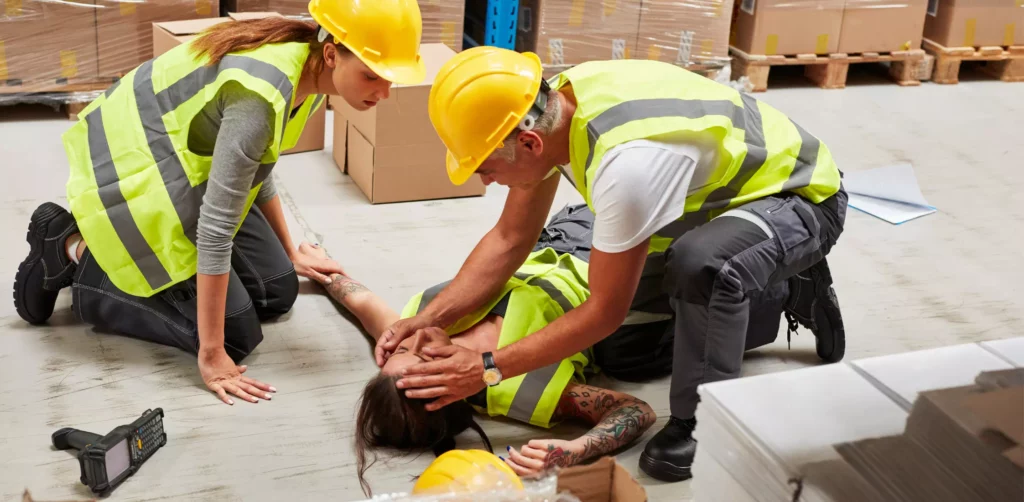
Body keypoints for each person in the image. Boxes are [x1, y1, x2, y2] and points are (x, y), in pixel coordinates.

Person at [377, 47, 849, 483]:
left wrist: (486, 368)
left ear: (529, 144)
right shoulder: (552, 105)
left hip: (799, 195)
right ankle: (777, 285)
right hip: (719, 197)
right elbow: (510, 237)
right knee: (631, 339)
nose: (485, 178)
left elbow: (603, 311)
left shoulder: (626, 165)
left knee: (701, 266)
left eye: (484, 165)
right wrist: (430, 317)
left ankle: (703, 421)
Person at [12, 0, 426, 406]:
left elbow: (255, 164)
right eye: (374, 76)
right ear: (333, 54)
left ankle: (103, 257)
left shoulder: (311, 70)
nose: (384, 93)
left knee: (278, 289)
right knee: (233, 336)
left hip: (185, 170)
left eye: (391, 79)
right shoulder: (260, 98)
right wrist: (210, 355)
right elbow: (215, 229)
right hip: (136, 181)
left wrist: (289, 252)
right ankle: (73, 251)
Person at [297, 207, 657, 496]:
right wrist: (577, 449)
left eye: (397, 352)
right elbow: (634, 410)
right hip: (620, 259)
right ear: (448, 385)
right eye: (422, 357)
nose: (416, 340)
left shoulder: (409, 331)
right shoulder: (521, 389)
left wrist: (324, 268)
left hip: (556, 230)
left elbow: (363, 302)